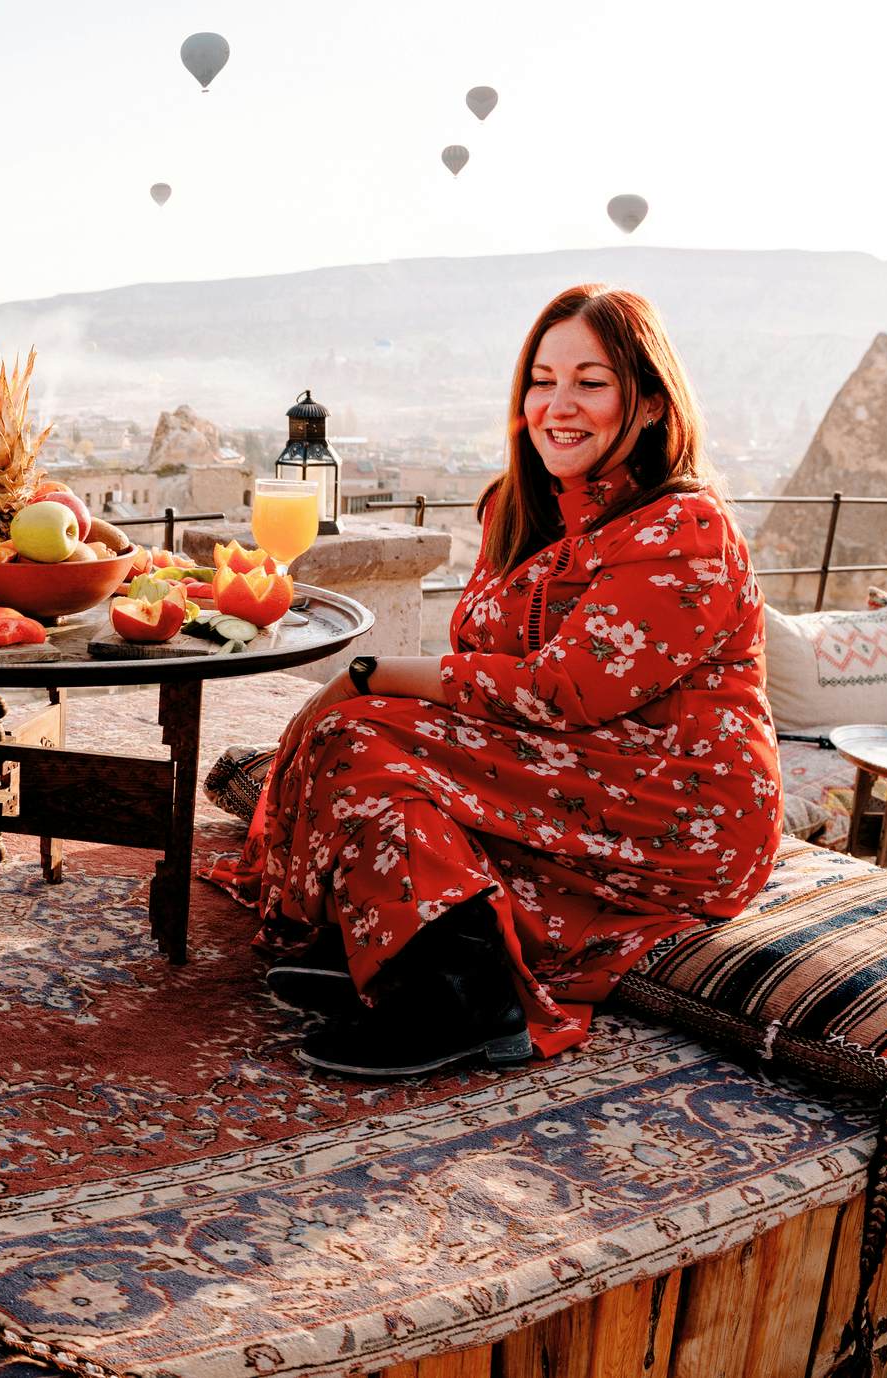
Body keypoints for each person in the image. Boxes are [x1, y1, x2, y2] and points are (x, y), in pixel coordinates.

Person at [215, 284, 783, 1077]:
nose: (558, 404)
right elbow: (488, 665)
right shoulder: (518, 509)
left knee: (363, 730)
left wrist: (364, 675)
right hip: (567, 766)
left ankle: (464, 996)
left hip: (677, 800)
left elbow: (563, 691)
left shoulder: (683, 528)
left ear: (650, 404)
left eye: (590, 383)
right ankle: (418, 951)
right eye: (541, 381)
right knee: (375, 733)